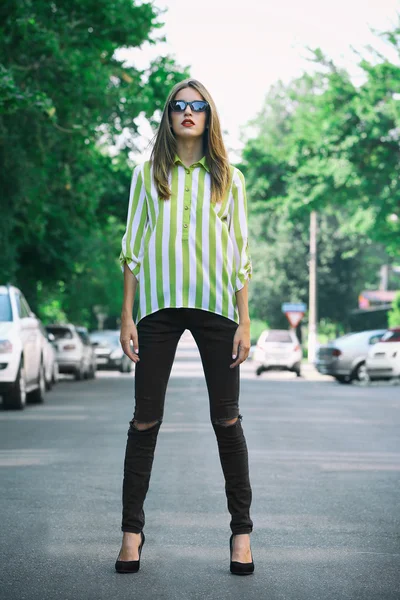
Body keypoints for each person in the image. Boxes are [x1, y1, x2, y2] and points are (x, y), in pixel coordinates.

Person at [115, 79, 254, 576]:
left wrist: (244, 319)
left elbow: (240, 254)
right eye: (180, 106)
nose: (189, 113)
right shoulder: (146, 175)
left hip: (218, 309)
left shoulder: (230, 179)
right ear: (169, 116)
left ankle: (241, 534)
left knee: (227, 420)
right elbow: (131, 247)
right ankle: (131, 534)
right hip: (157, 308)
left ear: (209, 116)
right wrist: (127, 314)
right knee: (145, 419)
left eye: (198, 106)